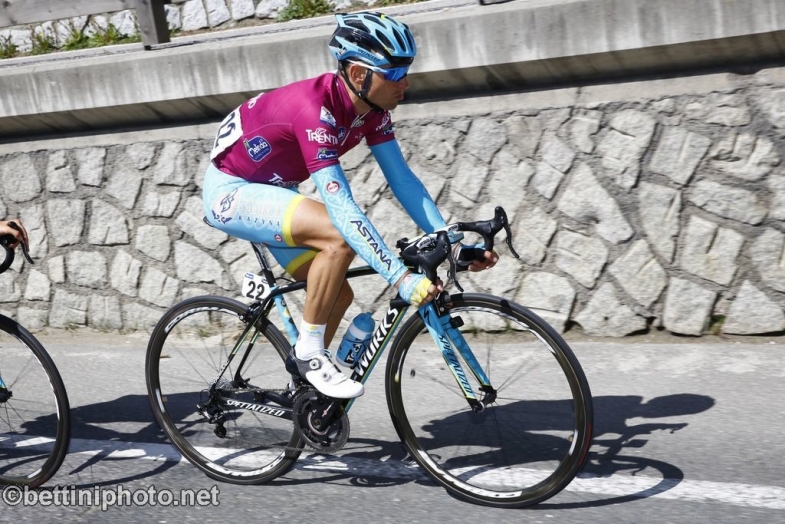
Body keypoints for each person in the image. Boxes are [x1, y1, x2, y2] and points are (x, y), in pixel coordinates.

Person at [202, 11, 498, 399]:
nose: (405, 83)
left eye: (407, 71)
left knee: (337, 294)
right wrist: (400, 278)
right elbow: (341, 207)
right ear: (359, 75)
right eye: (395, 74)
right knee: (337, 236)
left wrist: (451, 240)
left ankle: (304, 389)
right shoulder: (315, 111)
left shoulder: (372, 112)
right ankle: (310, 354)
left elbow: (402, 179)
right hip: (233, 191)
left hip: (275, 191)